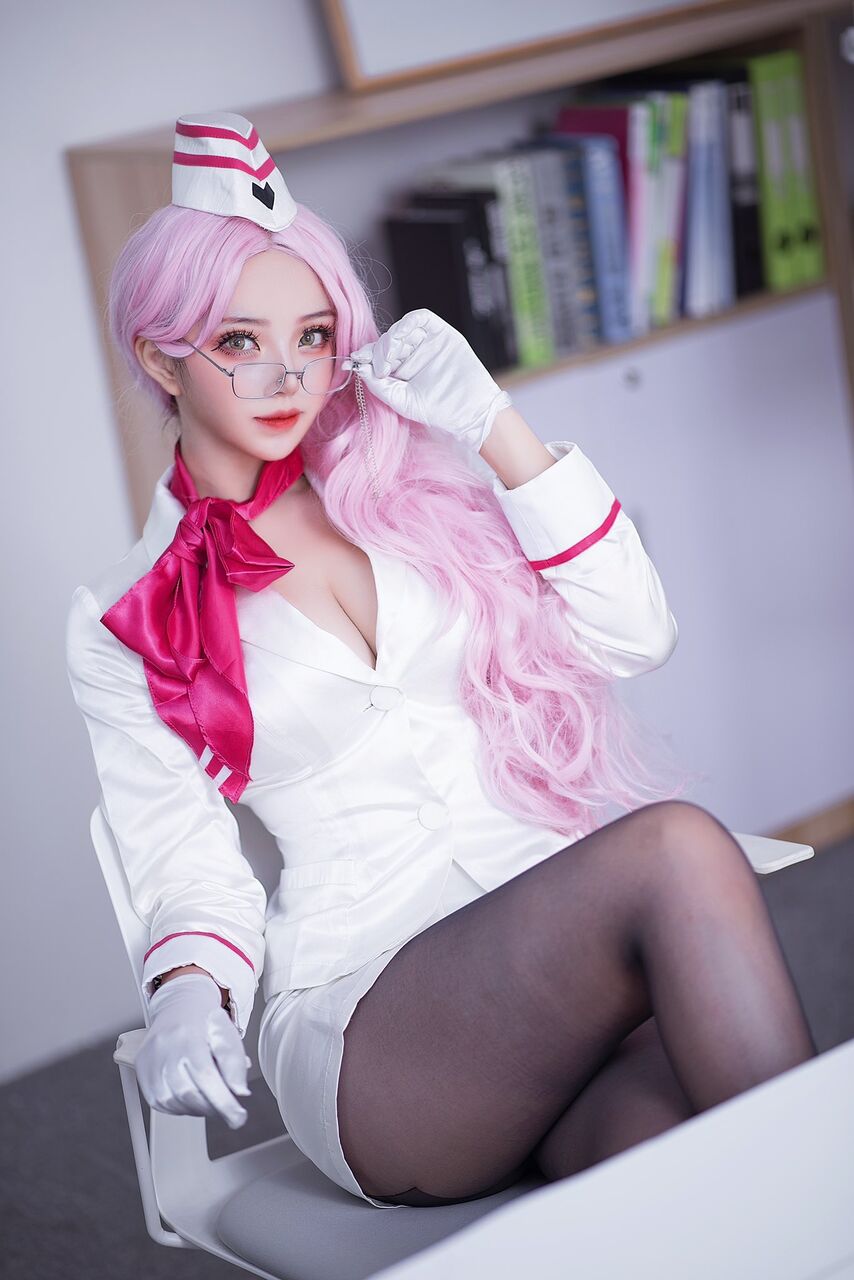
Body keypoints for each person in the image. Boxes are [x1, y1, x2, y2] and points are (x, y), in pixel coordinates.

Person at [66, 110, 816, 1211]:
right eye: (239, 342)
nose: (287, 375)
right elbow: (183, 857)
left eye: (312, 335)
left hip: (556, 957)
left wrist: (494, 426)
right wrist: (187, 989)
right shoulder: (128, 614)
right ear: (158, 357)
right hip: (376, 1028)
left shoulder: (405, 493)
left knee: (690, 1166)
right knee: (674, 849)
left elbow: (634, 633)